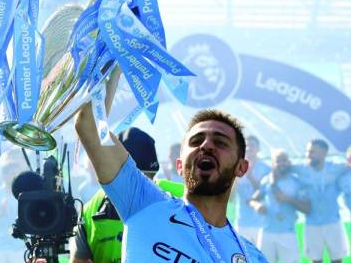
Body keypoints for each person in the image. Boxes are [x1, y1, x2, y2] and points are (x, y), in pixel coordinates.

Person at [74, 70, 268, 262]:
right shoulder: (145, 202)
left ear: (241, 167)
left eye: (221, 142)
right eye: (196, 141)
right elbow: (89, 125)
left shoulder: (252, 257)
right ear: (180, 165)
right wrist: (114, 60)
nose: (206, 145)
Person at [70, 127, 184, 263]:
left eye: (149, 179)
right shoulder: (89, 212)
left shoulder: (183, 197)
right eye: (135, 182)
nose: (144, 190)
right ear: (114, 174)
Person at [293, 138, 349, 263]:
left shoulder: (336, 167)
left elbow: (348, 166)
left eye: (312, 152)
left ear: (324, 153)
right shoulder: (300, 168)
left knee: (337, 260)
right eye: (308, 152)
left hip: (333, 223)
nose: (308, 155)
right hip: (312, 224)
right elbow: (280, 166)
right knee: (316, 261)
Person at [249, 149, 310, 263]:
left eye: (284, 160)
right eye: (278, 160)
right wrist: (257, 206)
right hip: (266, 232)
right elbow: (253, 200)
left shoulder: (296, 182)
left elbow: (307, 209)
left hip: (287, 233)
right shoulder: (266, 180)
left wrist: (289, 200)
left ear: (289, 162)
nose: (282, 163)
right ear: (273, 163)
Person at [233, 135, 271, 245]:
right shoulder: (236, 168)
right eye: (246, 146)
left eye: (252, 146)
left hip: (261, 223)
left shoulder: (266, 169)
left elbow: (265, 193)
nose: (249, 148)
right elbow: (231, 197)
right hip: (242, 222)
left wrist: (250, 177)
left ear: (258, 149)